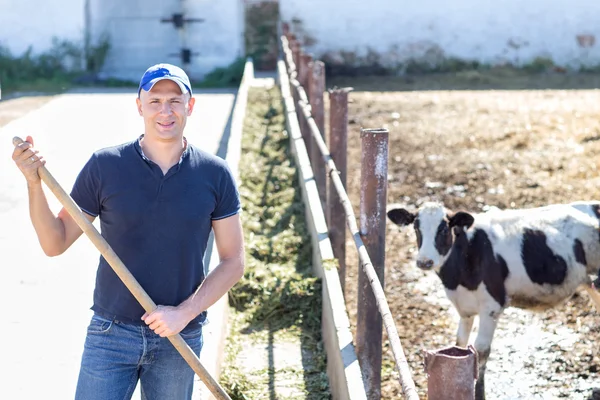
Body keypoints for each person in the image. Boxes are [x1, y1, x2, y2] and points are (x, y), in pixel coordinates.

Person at [12, 63, 245, 400]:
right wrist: (34, 184)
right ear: (139, 106)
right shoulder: (106, 166)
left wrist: (184, 313)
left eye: (175, 100)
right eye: (154, 101)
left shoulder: (214, 174)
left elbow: (233, 261)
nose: (165, 111)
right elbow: (55, 242)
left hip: (179, 339)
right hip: (110, 333)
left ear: (189, 106)